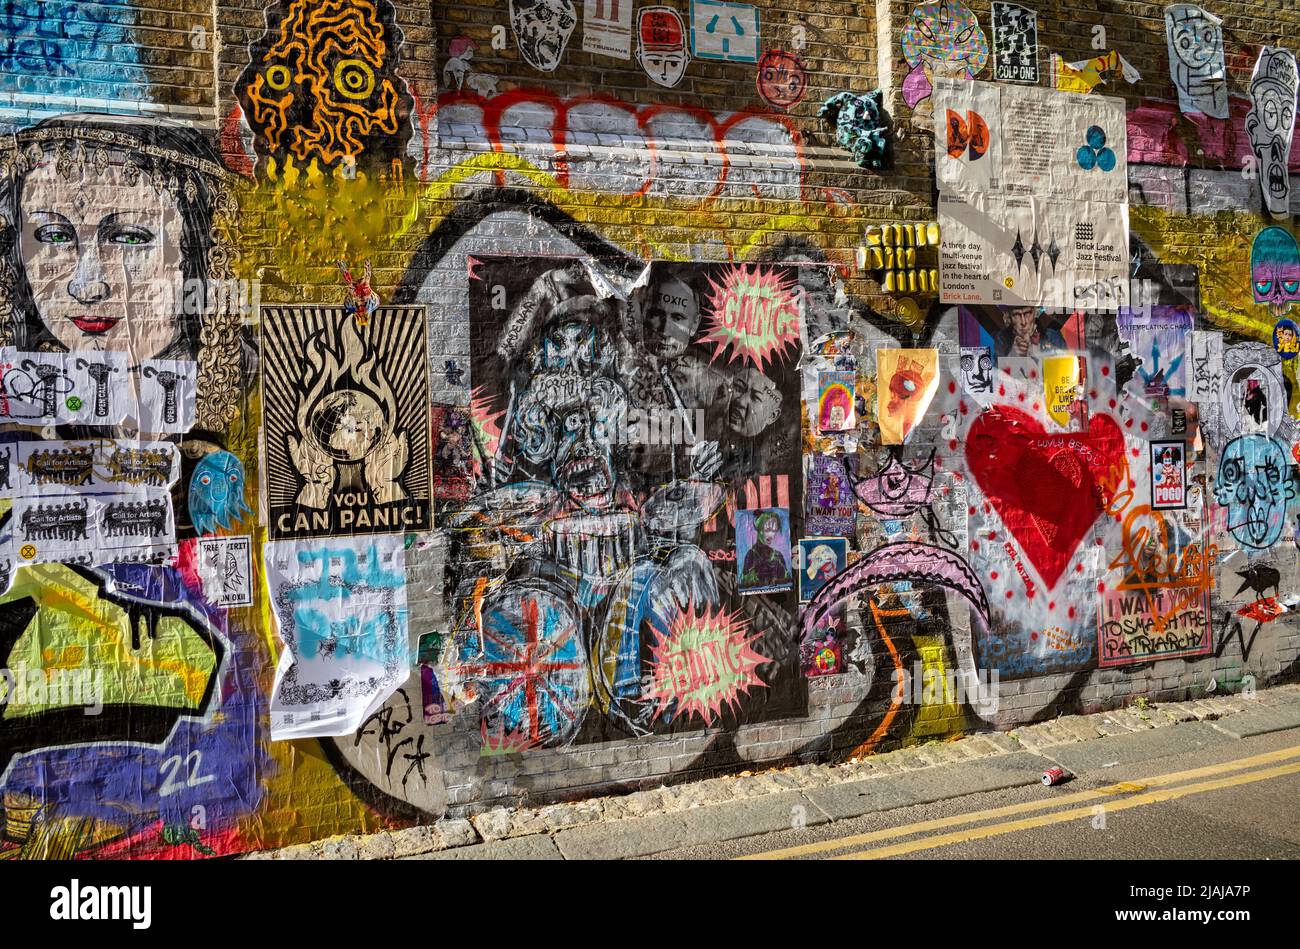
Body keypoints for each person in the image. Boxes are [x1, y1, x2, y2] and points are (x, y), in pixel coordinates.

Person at [741, 511, 791, 589]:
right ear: (759, 529)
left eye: (774, 530)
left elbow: (788, 580)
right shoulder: (751, 555)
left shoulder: (777, 555)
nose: (772, 535)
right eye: (768, 530)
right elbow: (744, 584)